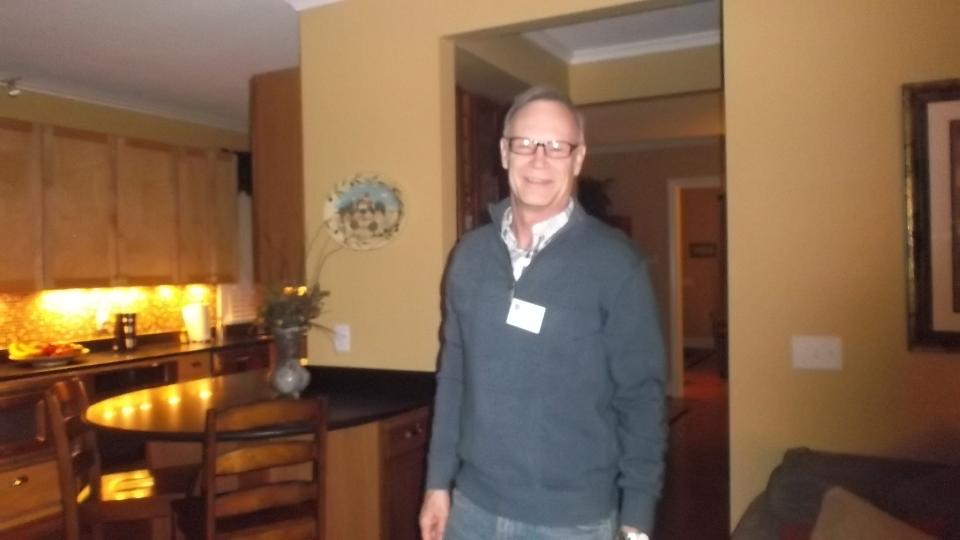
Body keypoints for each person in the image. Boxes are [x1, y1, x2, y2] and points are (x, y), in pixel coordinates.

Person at [420, 86, 666, 540]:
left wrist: (636, 521)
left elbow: (641, 398)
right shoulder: (468, 256)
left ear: (578, 158)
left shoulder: (616, 264)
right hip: (471, 510)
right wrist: (437, 483)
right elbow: (454, 377)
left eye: (556, 146)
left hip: (573, 521)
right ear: (504, 153)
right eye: (525, 143)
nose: (538, 159)